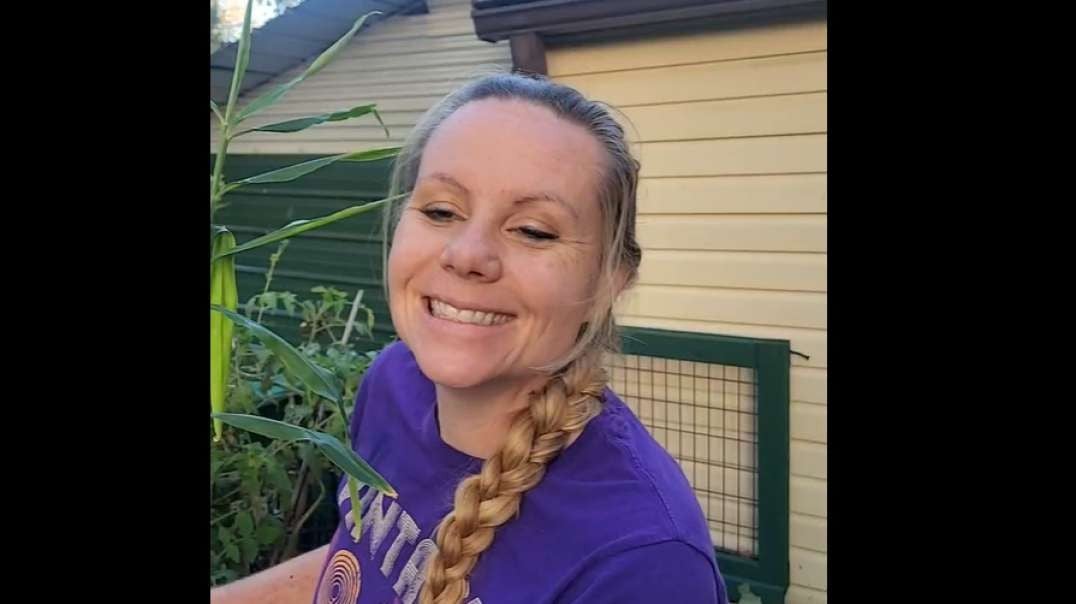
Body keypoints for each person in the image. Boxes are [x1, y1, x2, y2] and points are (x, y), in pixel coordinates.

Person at [211, 72, 728, 604]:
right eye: (441, 211)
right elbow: (359, 563)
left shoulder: (643, 561)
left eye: (532, 230)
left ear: (607, 284)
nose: (467, 254)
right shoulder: (392, 381)